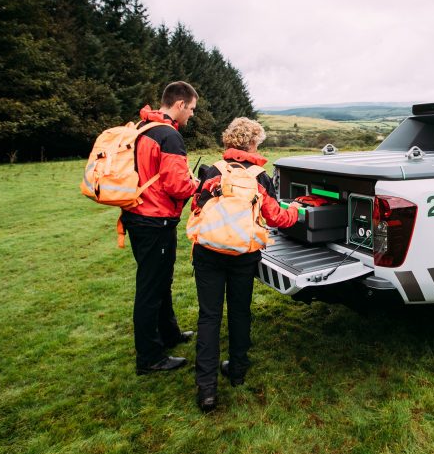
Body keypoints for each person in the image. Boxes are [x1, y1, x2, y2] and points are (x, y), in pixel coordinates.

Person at [189, 117, 301, 412]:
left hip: (208, 252)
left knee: (209, 317)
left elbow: (196, 206)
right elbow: (276, 217)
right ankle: (237, 371)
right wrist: (296, 211)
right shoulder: (260, 177)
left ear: (229, 141)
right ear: (252, 143)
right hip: (243, 255)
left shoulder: (214, 170)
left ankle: (207, 389)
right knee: (240, 311)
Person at [121, 81, 200, 375]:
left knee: (159, 281)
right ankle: (150, 357)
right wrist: (199, 184)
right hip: (155, 220)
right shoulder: (169, 136)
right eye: (191, 109)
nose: (191, 115)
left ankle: (169, 334)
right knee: (151, 288)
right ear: (179, 105)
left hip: (137, 215)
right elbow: (177, 186)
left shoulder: (143, 127)